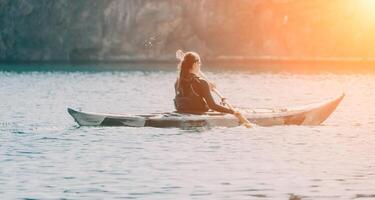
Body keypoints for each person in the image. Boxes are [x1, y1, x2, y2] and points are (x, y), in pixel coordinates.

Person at [174, 51, 240, 116]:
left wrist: (207, 86)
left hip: (182, 111)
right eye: (199, 63)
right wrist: (233, 112)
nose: (200, 65)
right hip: (197, 115)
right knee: (233, 109)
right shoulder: (201, 82)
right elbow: (213, 106)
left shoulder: (177, 82)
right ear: (195, 64)